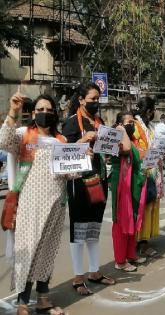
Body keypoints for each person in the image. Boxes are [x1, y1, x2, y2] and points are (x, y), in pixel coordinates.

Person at [0, 92, 88, 315]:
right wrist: (13, 111)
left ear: (55, 113)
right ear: (33, 113)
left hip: (56, 206)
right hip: (30, 206)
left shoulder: (61, 141)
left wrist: (82, 157)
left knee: (47, 252)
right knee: (28, 252)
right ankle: (22, 302)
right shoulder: (23, 135)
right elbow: (3, 141)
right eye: (40, 110)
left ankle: (43, 300)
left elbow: (72, 174)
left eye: (49, 110)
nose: (44, 113)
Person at [62, 83, 115, 296]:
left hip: (99, 180)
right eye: (92, 99)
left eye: (97, 98)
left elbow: (104, 149)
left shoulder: (99, 121)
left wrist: (112, 147)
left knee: (93, 229)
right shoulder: (72, 122)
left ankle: (94, 272)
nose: (95, 102)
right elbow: (63, 154)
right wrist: (83, 142)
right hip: (79, 183)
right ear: (82, 100)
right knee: (79, 230)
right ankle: (77, 277)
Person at [110, 111, 146, 272]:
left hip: (133, 182)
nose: (132, 125)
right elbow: (124, 149)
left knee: (133, 216)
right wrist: (121, 129)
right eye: (129, 122)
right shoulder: (117, 137)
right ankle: (120, 260)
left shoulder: (132, 140)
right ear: (119, 124)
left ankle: (131, 254)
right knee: (120, 219)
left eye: (133, 122)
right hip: (121, 181)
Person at [133, 97, 164, 255]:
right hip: (142, 172)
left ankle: (145, 239)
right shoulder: (135, 125)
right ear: (149, 111)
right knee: (143, 206)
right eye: (154, 110)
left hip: (153, 170)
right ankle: (141, 242)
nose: (154, 113)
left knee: (150, 205)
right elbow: (132, 147)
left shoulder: (148, 126)